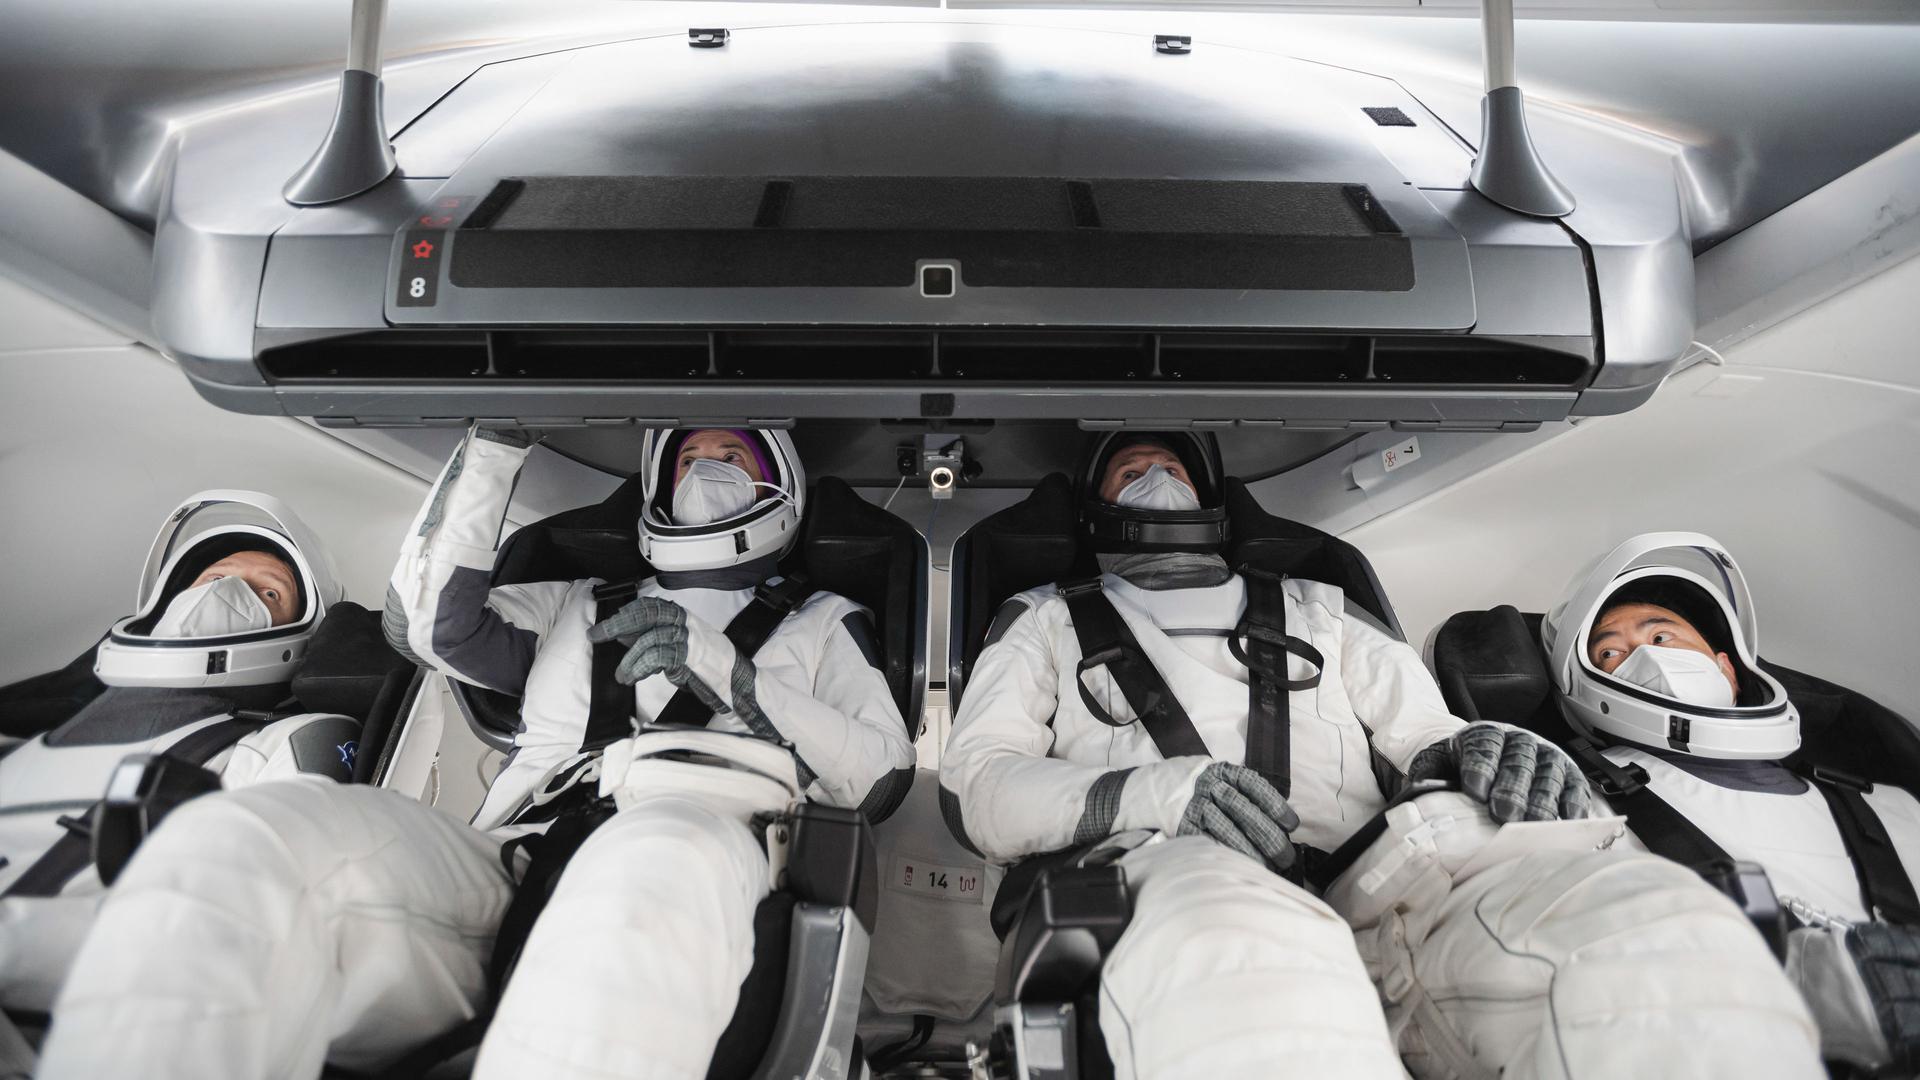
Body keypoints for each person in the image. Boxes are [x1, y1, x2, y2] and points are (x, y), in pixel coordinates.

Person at [37, 426, 915, 1080]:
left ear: (781, 486)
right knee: (248, 840)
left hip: (705, 843)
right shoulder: (573, 601)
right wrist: (495, 444)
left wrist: (725, 668)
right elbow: (427, 625)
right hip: (517, 853)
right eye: (690, 457)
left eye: (735, 456)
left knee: (645, 868)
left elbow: (879, 772)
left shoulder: (824, 624)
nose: (707, 467)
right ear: (657, 482)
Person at [939, 434, 1822, 1080]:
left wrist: (1487, 745)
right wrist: (1155, 793)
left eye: (1173, 467)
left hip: (1398, 880)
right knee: (1246, 973)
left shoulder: (1322, 605)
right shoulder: (1046, 618)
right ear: (1100, 508)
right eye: (1133, 472)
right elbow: (980, 785)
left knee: (1653, 929)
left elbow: (1427, 735)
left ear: (1209, 496)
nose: (1159, 481)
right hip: (1179, 867)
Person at [1545, 531, 1920, 1074]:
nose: (1647, 655)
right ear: (1586, 687)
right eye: (1611, 651)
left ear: (1726, 666)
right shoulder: (1587, 808)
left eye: (1663, 635)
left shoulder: (1894, 809)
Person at [0, 491, 359, 1015]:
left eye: (268, 592)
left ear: (298, 632)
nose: (229, 591)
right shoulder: (24, 738)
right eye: (213, 579)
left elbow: (227, 923)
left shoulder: (283, 745)